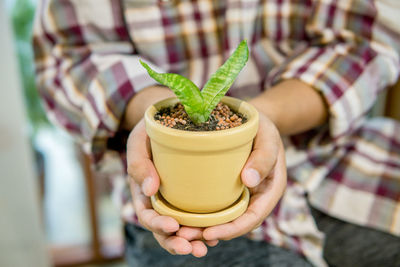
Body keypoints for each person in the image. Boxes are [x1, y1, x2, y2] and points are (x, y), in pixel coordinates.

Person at [33, 0, 400, 266]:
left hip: (338, 162)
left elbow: (361, 41)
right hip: (178, 205)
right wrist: (150, 110)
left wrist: (261, 118)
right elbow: (70, 58)